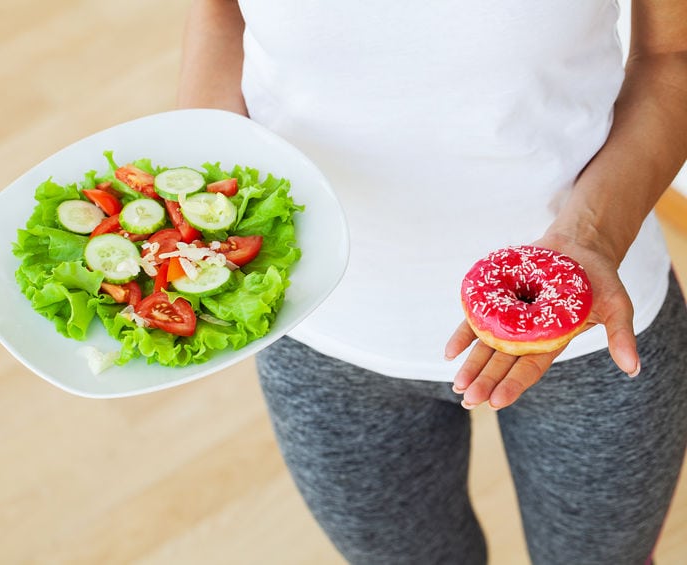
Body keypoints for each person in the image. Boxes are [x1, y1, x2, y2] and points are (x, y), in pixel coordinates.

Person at [178, 1, 687, 563]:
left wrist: (593, 236)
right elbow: (220, 14)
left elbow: (670, 56)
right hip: (322, 327)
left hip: (589, 318)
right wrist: (199, 205)